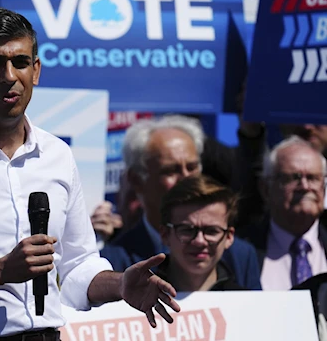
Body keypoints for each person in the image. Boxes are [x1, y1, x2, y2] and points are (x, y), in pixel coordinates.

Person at [0, 7, 180, 339]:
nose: (10, 76)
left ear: (36, 71)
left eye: (21, 62)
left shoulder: (58, 155)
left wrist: (120, 284)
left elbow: (77, 268)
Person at [99, 115, 262, 290]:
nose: (186, 179)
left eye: (192, 168)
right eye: (170, 170)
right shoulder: (112, 262)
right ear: (136, 180)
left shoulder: (239, 255)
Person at [240, 136, 327, 290]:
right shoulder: (242, 250)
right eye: (293, 178)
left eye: (313, 178)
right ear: (266, 189)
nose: (305, 186)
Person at [157, 174, 244, 291]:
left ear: (229, 237)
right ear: (165, 234)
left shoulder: (246, 305)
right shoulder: (136, 302)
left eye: (212, 231)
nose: (199, 241)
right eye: (187, 230)